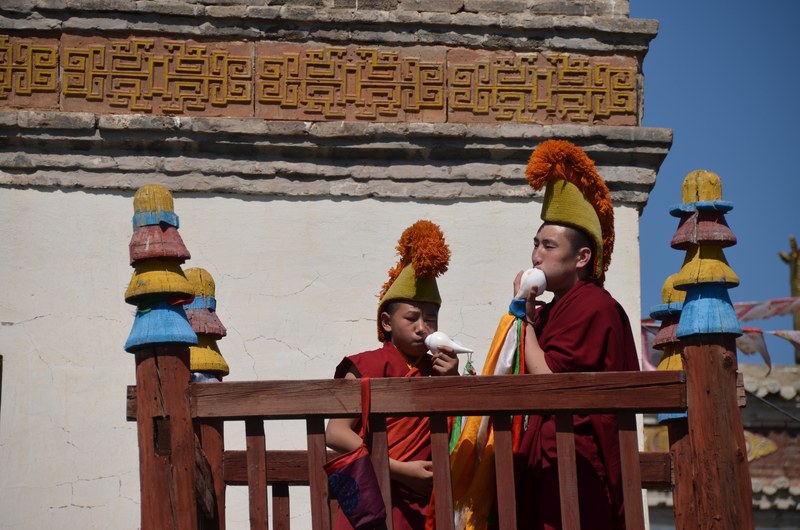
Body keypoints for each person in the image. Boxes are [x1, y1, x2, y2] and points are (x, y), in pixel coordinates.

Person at [513, 140, 640, 530]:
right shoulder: (552, 310)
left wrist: (522, 317)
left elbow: (550, 380)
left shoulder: (592, 305)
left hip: (575, 467)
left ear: (582, 257)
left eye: (548, 246)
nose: (536, 256)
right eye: (536, 244)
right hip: (544, 464)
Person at [326, 220, 460, 530]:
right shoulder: (365, 366)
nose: (422, 327)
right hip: (373, 494)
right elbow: (336, 433)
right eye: (411, 318)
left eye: (430, 318)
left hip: (427, 502)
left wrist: (453, 382)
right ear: (386, 322)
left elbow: (465, 430)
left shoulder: (438, 369)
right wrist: (401, 470)